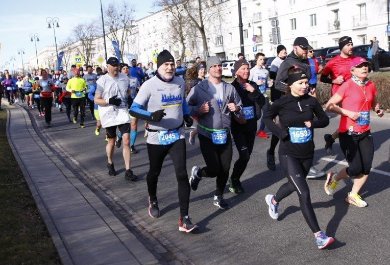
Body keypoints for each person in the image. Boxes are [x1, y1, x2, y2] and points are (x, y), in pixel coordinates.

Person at [263, 66, 334, 250]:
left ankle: (273, 200)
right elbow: (267, 118)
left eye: (306, 82)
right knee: (304, 192)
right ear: (291, 84)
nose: (305, 86)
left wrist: (314, 123)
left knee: (294, 184)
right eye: (300, 83)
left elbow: (325, 120)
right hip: (288, 153)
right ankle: (319, 236)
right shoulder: (282, 102)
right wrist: (280, 133)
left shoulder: (311, 101)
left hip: (307, 153)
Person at [129, 50, 197, 233]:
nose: (170, 67)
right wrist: (151, 115)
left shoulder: (180, 82)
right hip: (156, 136)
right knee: (154, 172)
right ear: (159, 66)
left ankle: (185, 218)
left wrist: (187, 115)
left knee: (182, 174)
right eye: (166, 64)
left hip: (177, 134)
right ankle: (152, 197)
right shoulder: (149, 85)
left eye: (172, 64)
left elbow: (181, 101)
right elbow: (133, 109)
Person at [324, 57, 385, 207]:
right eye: (360, 66)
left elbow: (372, 101)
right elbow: (329, 105)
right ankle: (335, 179)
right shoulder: (347, 86)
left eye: (366, 65)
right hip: (348, 133)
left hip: (365, 131)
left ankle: (352, 195)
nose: (365, 68)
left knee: (366, 167)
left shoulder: (370, 85)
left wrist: (377, 109)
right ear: (352, 70)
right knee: (356, 168)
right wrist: (347, 113)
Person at [187, 56, 242, 209]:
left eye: (220, 66)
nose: (218, 68)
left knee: (225, 168)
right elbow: (186, 107)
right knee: (213, 169)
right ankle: (198, 173)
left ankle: (218, 195)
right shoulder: (199, 88)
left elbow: (239, 106)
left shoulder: (229, 88)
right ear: (209, 69)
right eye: (214, 66)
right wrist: (198, 110)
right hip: (207, 134)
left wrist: (236, 109)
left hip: (224, 134)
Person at [94, 57, 138, 181]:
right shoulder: (102, 81)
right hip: (108, 113)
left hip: (122, 112)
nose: (116, 68)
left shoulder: (124, 78)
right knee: (112, 142)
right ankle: (110, 162)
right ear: (107, 67)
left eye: (117, 65)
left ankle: (128, 170)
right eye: (113, 65)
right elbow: (96, 99)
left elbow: (128, 91)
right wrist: (109, 101)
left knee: (126, 140)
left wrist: (129, 99)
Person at [229, 58, 265, 194]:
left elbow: (262, 102)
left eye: (248, 68)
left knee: (247, 155)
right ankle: (234, 179)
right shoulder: (232, 87)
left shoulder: (252, 84)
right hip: (238, 126)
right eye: (243, 68)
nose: (246, 71)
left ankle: (235, 178)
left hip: (251, 126)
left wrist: (253, 91)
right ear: (237, 71)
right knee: (244, 155)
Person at [321, 36, 355, 154]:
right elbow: (323, 77)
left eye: (351, 44)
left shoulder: (355, 60)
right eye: (348, 45)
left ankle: (331, 138)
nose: (351, 47)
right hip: (339, 94)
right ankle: (347, 145)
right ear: (342, 47)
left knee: (350, 119)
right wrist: (334, 81)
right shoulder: (333, 62)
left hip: (353, 94)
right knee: (350, 118)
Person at [266, 45, 287, 170]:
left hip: (287, 94)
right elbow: (273, 75)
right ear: (279, 52)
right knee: (280, 124)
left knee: (286, 123)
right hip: (278, 95)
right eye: (284, 52)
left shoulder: (285, 61)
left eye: (286, 51)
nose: (285, 53)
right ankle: (271, 151)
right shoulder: (275, 62)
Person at [115, 63, 141, 154]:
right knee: (124, 126)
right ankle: (119, 137)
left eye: (127, 68)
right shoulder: (117, 80)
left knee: (133, 125)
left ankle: (132, 146)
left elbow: (139, 89)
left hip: (134, 104)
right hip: (122, 106)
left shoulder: (134, 79)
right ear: (120, 70)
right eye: (123, 68)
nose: (126, 70)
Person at [249, 52, 271, 139]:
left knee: (266, 113)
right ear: (256, 60)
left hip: (264, 95)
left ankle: (261, 131)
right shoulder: (252, 71)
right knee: (257, 115)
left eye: (263, 59)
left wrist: (270, 83)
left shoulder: (266, 71)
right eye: (260, 59)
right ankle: (250, 128)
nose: (262, 61)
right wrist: (255, 83)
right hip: (256, 96)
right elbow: (248, 83)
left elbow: (267, 83)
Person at [185, 61, 207, 145]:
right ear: (197, 70)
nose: (203, 71)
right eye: (201, 69)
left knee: (205, 125)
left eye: (204, 69)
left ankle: (195, 134)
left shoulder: (206, 80)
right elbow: (189, 96)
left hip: (206, 105)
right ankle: (193, 133)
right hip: (197, 106)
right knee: (203, 125)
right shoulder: (194, 82)